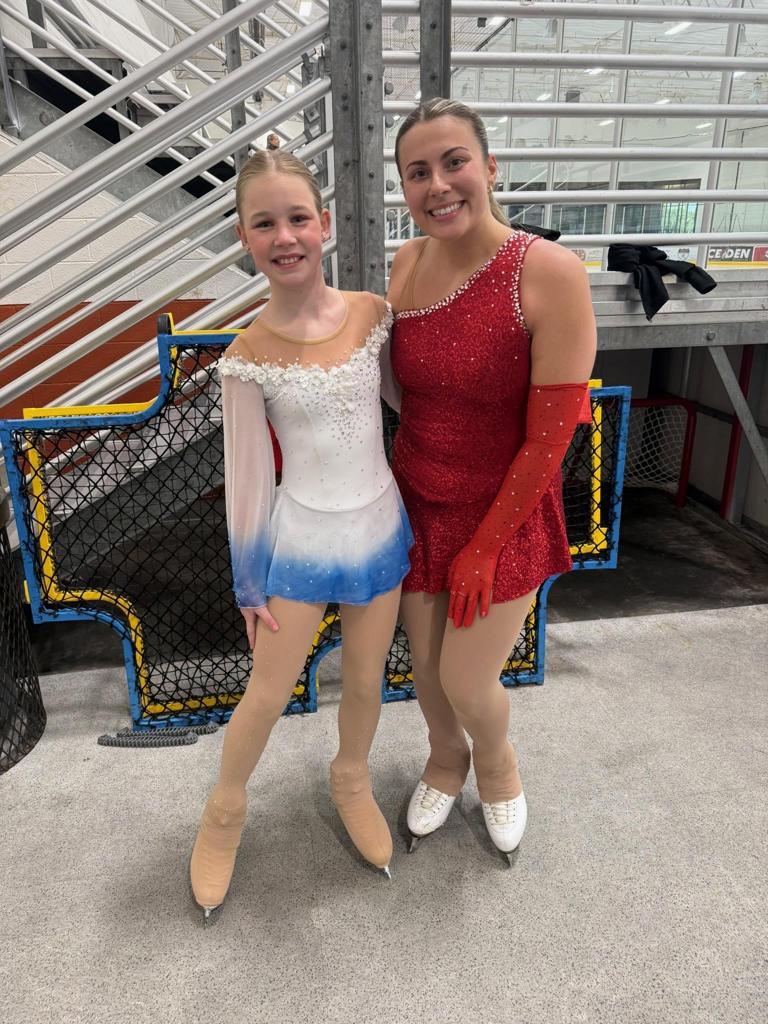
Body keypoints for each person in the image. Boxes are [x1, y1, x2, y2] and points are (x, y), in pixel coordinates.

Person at [189, 149, 413, 922]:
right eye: (264, 224)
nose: (284, 237)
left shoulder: (373, 315)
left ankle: (350, 775)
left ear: (323, 223)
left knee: (366, 679)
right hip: (300, 544)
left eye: (296, 219)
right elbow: (249, 481)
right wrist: (247, 583)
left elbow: (411, 403)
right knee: (266, 692)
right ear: (245, 238)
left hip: (379, 528)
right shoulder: (245, 359)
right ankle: (225, 809)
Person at [386, 98, 596, 860]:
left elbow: (549, 439)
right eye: (418, 172)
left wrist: (484, 546)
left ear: (490, 167)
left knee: (469, 681)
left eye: (454, 163)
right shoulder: (405, 265)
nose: (438, 185)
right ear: (404, 188)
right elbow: (403, 394)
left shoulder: (548, 272)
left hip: (503, 510)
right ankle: (446, 759)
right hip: (418, 501)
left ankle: (498, 766)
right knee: (425, 674)